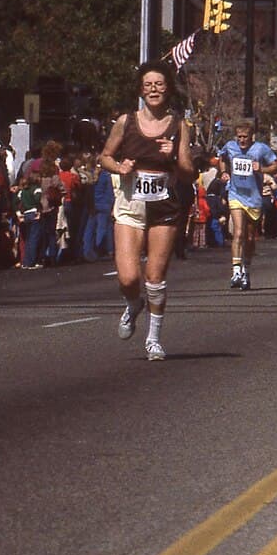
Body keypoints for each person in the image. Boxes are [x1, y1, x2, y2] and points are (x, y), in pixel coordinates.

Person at [100, 61, 194, 360]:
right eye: (148, 84)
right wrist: (119, 166)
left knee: (155, 276)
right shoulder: (125, 122)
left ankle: (153, 338)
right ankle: (132, 304)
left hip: (164, 206)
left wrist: (173, 157)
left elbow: (189, 173)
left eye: (159, 84)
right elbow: (105, 156)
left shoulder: (178, 125)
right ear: (141, 89)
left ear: (167, 89)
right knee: (128, 278)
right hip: (130, 205)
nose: (154, 89)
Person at [218, 118, 277, 290]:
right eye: (239, 137)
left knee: (250, 237)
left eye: (245, 137)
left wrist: (262, 170)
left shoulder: (260, 148)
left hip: (254, 198)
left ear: (251, 137)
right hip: (235, 194)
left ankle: (246, 269)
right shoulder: (230, 147)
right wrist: (224, 172)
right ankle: (236, 270)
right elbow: (221, 157)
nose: (242, 140)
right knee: (238, 232)